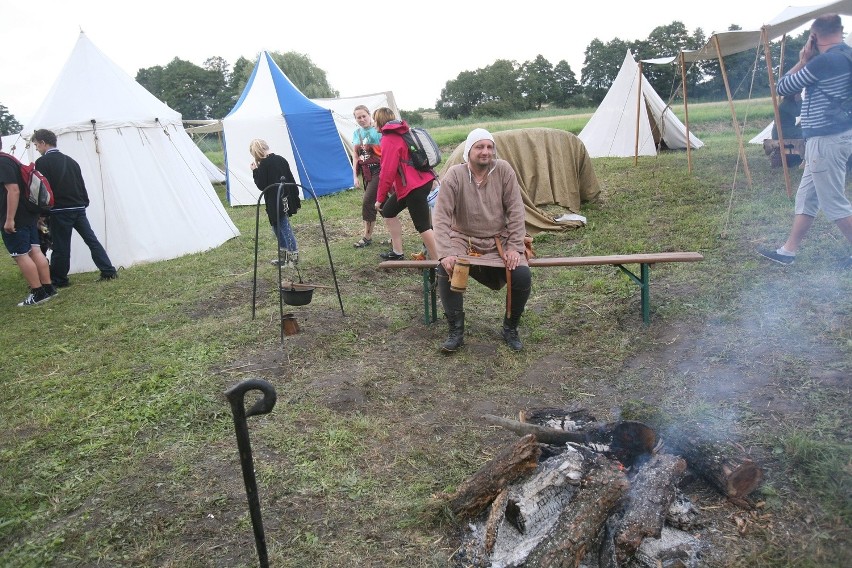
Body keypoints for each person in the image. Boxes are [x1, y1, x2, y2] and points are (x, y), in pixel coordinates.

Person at [757, 14, 852, 270]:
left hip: (826, 140)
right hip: (834, 137)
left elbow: (784, 86)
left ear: (815, 36)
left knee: (834, 203)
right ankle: (788, 251)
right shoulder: (847, 55)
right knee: (807, 197)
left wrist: (803, 60)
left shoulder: (825, 62)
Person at [432, 128, 532, 352]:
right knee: (445, 268)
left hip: (499, 240)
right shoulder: (455, 175)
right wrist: (446, 252)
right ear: (469, 151)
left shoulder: (504, 170)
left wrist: (515, 247)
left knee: (522, 274)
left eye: (489, 147)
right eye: (479, 147)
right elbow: (441, 217)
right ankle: (456, 331)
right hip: (462, 238)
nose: (485, 152)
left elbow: (516, 211)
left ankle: (510, 328)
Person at [31, 129, 117, 287]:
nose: (37, 148)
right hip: (77, 207)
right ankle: (108, 270)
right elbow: (81, 184)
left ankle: (59, 279)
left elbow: (42, 190)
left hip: (59, 210)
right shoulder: (71, 161)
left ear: (43, 143)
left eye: (37, 145)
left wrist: (41, 212)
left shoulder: (42, 163)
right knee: (91, 240)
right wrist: (84, 202)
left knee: (61, 246)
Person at [372, 107, 438, 261]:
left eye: (375, 120)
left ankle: (440, 264)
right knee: (388, 211)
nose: (374, 123)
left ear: (380, 121)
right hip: (416, 183)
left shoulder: (389, 139)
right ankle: (397, 252)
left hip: (414, 187)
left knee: (423, 226)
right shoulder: (402, 132)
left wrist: (379, 198)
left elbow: (387, 173)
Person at [1, 137, 57, 306]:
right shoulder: (11, 159)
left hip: (15, 217)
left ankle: (37, 292)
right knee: (35, 250)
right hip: (27, 214)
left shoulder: (2, 163)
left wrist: (9, 219)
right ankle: (48, 288)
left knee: (20, 255)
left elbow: (14, 190)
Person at [250, 139, 300, 267]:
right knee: (277, 227)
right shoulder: (281, 159)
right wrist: (295, 197)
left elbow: (261, 185)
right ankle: (284, 258)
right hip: (285, 197)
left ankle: (293, 258)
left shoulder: (265, 164)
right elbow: (291, 178)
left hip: (276, 200)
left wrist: (255, 171)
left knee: (284, 227)